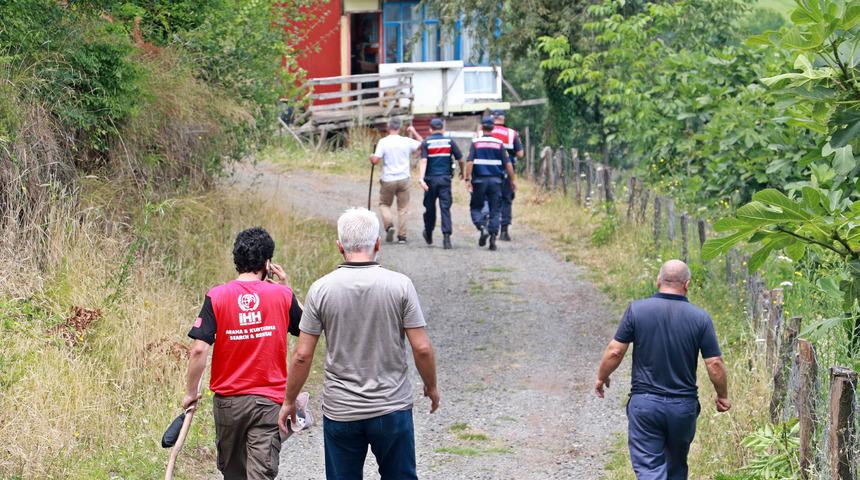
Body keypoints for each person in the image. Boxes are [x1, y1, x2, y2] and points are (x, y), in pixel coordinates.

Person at [279, 208, 440, 480]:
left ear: (340, 247)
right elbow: (421, 348)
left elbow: (302, 356)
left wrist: (288, 400)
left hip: (341, 411)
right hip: (391, 408)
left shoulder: (321, 289)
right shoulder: (400, 285)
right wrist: (431, 386)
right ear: (377, 243)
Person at [183, 227, 303, 479]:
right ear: (267, 263)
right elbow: (307, 328)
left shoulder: (216, 296)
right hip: (268, 401)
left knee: (233, 473)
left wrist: (191, 393)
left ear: (236, 261)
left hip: (228, 403)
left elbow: (199, 349)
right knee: (260, 473)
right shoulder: (282, 295)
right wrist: (286, 286)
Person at [594, 259, 730, 480]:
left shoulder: (637, 310)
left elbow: (615, 352)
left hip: (646, 405)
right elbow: (714, 363)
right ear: (687, 284)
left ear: (658, 280)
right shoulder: (700, 318)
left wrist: (602, 376)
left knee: (650, 469)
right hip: (683, 408)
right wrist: (722, 395)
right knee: (676, 468)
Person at [465, 116, 517, 251]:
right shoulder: (499, 144)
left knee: (476, 207)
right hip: (496, 181)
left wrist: (467, 179)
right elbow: (508, 164)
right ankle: (493, 236)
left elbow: (470, 162)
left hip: (479, 181)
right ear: (493, 128)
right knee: (495, 210)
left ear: (482, 127)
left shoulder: (476, 143)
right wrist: (513, 180)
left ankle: (482, 228)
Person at [370, 118, 423, 244]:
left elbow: (376, 160)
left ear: (389, 127)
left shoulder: (383, 142)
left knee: (384, 204)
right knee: (403, 208)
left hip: (388, 179)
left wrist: (371, 157)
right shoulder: (406, 141)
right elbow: (423, 144)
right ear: (399, 128)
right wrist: (414, 132)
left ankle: (389, 226)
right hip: (404, 178)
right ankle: (402, 237)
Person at [418, 117, 463, 250]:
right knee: (445, 208)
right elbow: (460, 158)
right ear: (442, 129)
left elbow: (424, 161)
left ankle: (429, 232)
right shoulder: (449, 142)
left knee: (430, 208)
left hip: (430, 180)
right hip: (445, 180)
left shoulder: (426, 142)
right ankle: (446, 238)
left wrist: (421, 178)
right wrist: (463, 172)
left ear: (430, 129)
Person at [489, 110, 524, 241]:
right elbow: (520, 154)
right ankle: (504, 231)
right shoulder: (512, 133)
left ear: (493, 118)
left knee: (490, 198)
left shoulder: (485, 131)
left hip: (488, 171)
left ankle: (491, 227)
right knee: (506, 199)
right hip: (507, 172)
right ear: (503, 119)